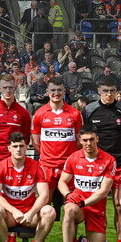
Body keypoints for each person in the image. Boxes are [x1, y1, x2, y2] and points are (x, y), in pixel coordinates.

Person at [82, 76, 121, 242]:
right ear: (99, 91)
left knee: (120, 206)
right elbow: (85, 136)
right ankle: (88, 241)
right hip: (97, 168)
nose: (109, 94)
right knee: (96, 206)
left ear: (116, 91)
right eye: (105, 91)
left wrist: (117, 155)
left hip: (119, 165)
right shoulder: (89, 109)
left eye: (112, 91)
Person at [0, 131, 56, 242]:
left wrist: (31, 213)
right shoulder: (0, 167)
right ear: (9, 148)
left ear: (27, 147)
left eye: (21, 146)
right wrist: (13, 211)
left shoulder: (37, 167)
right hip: (10, 214)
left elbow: (44, 195)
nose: (18, 149)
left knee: (50, 211)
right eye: (15, 146)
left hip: (29, 214)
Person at [58, 123, 116, 242]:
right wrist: (67, 194)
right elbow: (62, 182)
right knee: (69, 209)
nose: (88, 143)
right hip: (78, 205)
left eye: (91, 139)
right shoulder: (73, 157)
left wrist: (85, 202)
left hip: (95, 208)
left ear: (97, 138)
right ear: (80, 140)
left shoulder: (109, 160)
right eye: (84, 140)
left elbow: (104, 191)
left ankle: (82, 241)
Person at [30, 77, 82, 206]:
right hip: (47, 166)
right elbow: (36, 142)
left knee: (71, 205)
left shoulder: (75, 114)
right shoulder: (39, 114)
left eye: (59, 90)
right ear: (47, 91)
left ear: (64, 91)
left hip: (68, 166)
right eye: (52, 90)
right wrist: (48, 157)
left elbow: (79, 141)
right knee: (44, 205)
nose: (56, 93)